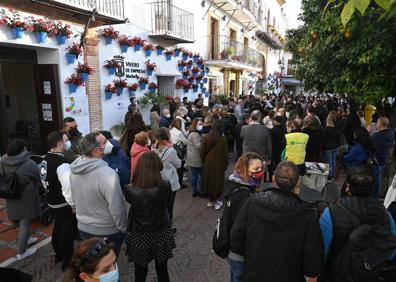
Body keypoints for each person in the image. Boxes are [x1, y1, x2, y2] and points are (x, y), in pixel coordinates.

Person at [230, 161, 324, 282]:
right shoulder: (307, 216)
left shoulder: (252, 203)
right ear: (297, 183)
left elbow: (236, 240)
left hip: (253, 275)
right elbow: (313, 263)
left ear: (273, 179)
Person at [319, 165, 396, 282]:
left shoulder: (330, 214)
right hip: (370, 274)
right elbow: (391, 252)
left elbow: (321, 251)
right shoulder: (386, 216)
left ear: (348, 187)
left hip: (335, 275)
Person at [69, 132, 127, 255]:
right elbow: (117, 207)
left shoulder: (73, 171)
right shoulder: (108, 175)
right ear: (96, 150)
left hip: (83, 227)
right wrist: (123, 228)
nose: (109, 143)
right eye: (105, 141)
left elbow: (73, 196)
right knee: (106, 266)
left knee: (94, 263)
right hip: (106, 231)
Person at [125, 152, 176, 282]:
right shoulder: (165, 185)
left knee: (140, 271)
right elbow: (168, 204)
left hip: (140, 233)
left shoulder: (130, 189)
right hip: (161, 231)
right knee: (162, 269)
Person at [41, 131, 77, 270]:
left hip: (51, 201)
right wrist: (73, 205)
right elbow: (68, 188)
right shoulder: (62, 163)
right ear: (59, 144)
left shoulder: (45, 158)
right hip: (63, 204)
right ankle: (67, 261)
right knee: (67, 233)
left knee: (58, 228)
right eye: (66, 140)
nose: (68, 142)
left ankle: (58, 254)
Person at [0, 139, 41, 260]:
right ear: (23, 149)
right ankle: (21, 252)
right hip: (26, 197)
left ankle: (27, 239)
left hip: (11, 195)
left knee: (19, 219)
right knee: (25, 222)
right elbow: (38, 178)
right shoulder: (29, 164)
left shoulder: (3, 160)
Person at [153, 128, 181, 222]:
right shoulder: (171, 151)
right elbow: (178, 164)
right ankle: (168, 227)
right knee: (169, 206)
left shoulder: (152, 149)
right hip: (170, 183)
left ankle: (159, 224)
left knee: (159, 205)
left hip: (157, 181)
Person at [201, 120, 229, 210]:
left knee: (209, 181)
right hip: (219, 164)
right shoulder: (223, 139)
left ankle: (210, 200)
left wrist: (203, 161)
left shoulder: (206, 137)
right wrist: (226, 164)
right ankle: (216, 201)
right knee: (217, 183)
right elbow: (225, 154)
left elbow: (202, 152)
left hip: (208, 163)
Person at [371, 117, 395, 195]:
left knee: (375, 179)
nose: (376, 124)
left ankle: (374, 195)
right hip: (385, 159)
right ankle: (376, 194)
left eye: (377, 122)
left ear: (380, 124)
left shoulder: (377, 136)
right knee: (378, 177)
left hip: (377, 160)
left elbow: (369, 145)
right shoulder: (391, 133)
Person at [186, 118, 203, 197]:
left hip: (191, 157)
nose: (201, 126)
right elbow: (198, 146)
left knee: (194, 175)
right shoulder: (195, 134)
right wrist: (203, 141)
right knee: (199, 175)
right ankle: (198, 190)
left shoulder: (191, 133)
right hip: (196, 158)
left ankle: (194, 190)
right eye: (199, 124)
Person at [322, 111, 342, 180]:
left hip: (328, 147)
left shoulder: (326, 129)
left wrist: (323, 147)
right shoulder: (337, 127)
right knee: (333, 161)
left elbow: (324, 139)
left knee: (329, 162)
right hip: (335, 146)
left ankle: (329, 176)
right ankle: (332, 174)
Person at [170, 118, 188, 189]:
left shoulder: (170, 131)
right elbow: (185, 142)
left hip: (171, 150)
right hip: (179, 151)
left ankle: (173, 182)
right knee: (180, 169)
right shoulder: (179, 133)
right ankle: (179, 184)